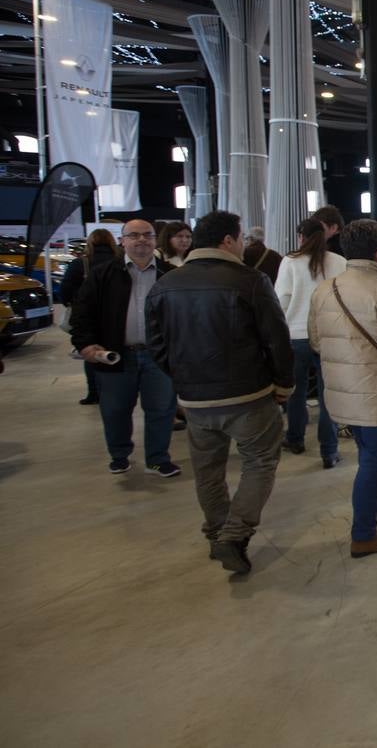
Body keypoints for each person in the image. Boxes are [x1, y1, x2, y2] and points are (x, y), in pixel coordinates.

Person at [146, 211, 294, 575]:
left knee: (207, 470)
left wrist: (184, 379)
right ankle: (234, 533)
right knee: (260, 462)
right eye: (241, 237)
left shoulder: (165, 285)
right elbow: (277, 340)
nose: (244, 244)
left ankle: (216, 532)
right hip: (249, 394)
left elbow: (157, 346)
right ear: (228, 240)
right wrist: (283, 385)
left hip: (195, 400)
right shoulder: (250, 281)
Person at [308, 219, 377, 559]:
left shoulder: (324, 289)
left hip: (340, 392)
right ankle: (364, 534)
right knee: (374, 460)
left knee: (372, 454)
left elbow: (316, 341)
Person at [69, 219, 181, 477]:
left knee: (162, 408)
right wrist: (85, 344)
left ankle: (158, 458)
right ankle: (119, 456)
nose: (141, 240)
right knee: (115, 409)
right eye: (134, 235)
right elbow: (82, 312)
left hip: (159, 356)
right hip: (116, 355)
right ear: (123, 241)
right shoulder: (103, 273)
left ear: (155, 240)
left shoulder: (169, 274)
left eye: (147, 235)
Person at [276, 217, 347, 467]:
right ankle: (329, 450)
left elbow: (281, 300)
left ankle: (295, 438)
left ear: (301, 237)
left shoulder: (290, 262)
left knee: (297, 393)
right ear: (325, 235)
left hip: (296, 337)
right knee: (329, 395)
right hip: (330, 337)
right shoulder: (339, 262)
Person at [63, 227, 117, 405]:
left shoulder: (81, 263)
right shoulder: (120, 261)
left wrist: (75, 304)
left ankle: (93, 393)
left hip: (89, 317)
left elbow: (66, 289)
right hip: (116, 315)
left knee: (91, 352)